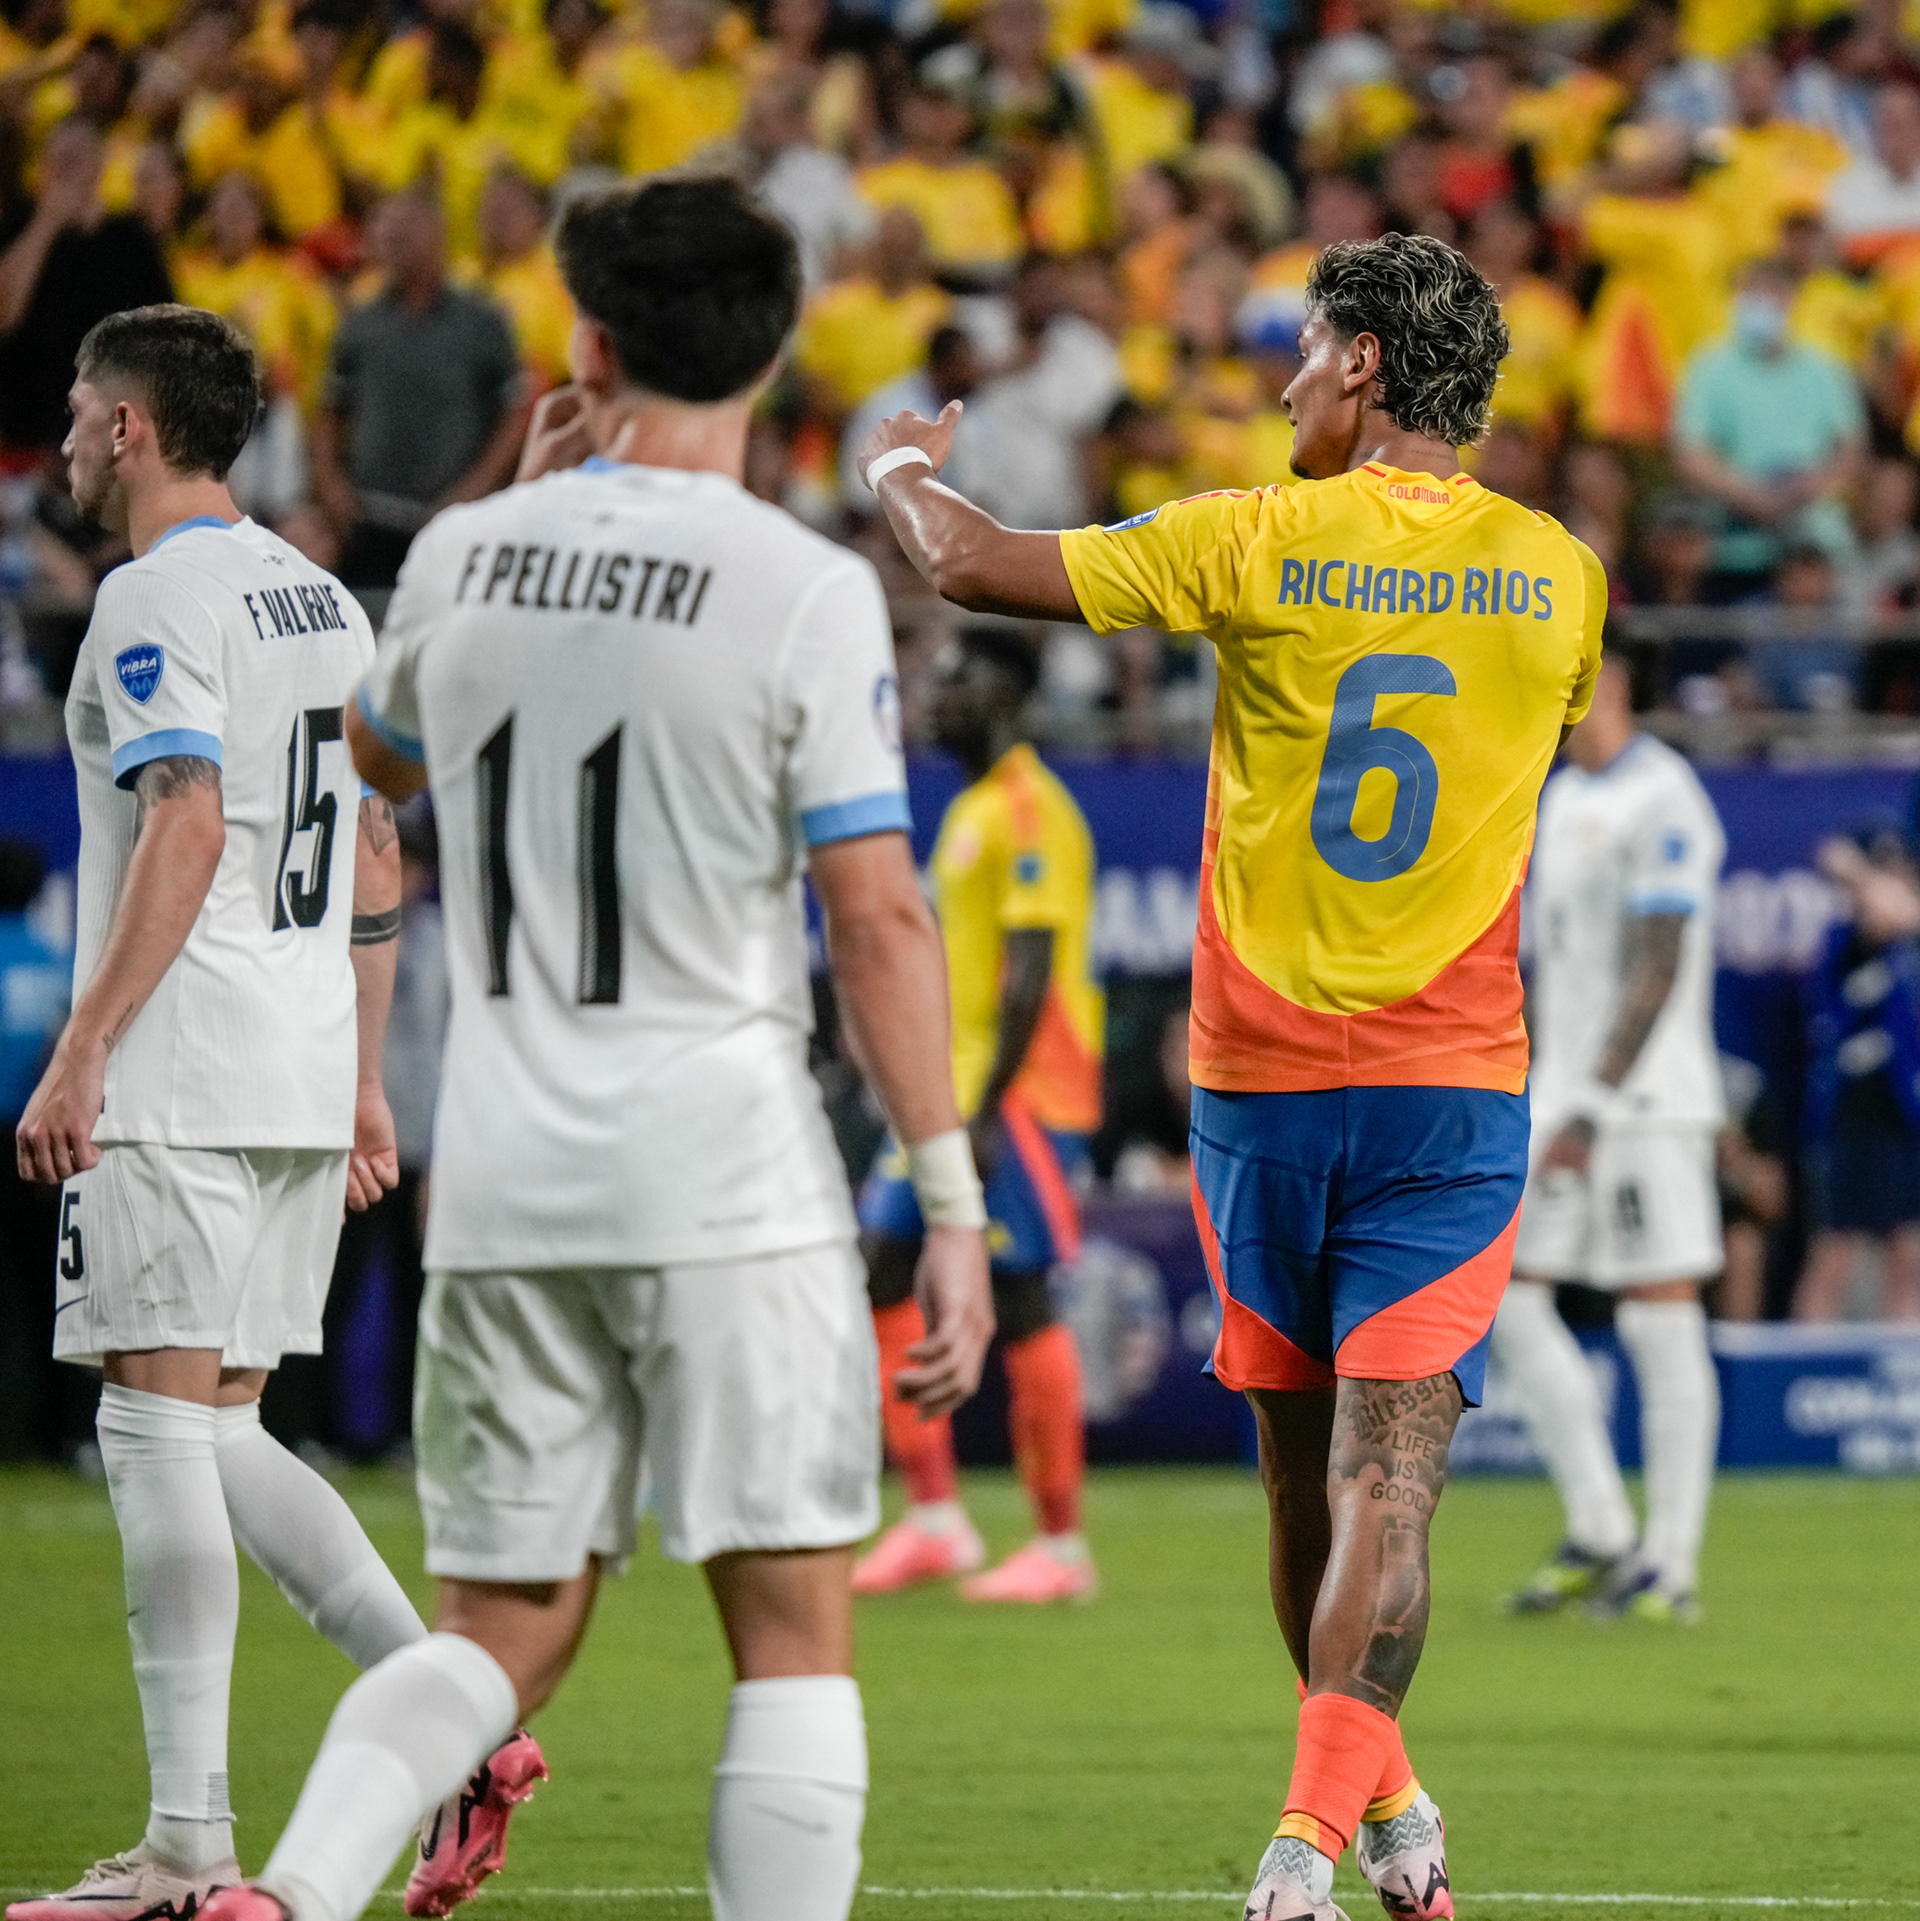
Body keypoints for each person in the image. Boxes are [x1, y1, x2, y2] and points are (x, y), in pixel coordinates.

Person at [195, 174, 994, 1921]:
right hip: (728, 1163)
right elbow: (877, 917)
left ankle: (297, 1893)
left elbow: (374, 763)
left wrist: (519, 502)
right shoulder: (805, 588)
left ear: (588, 343)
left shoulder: (471, 556)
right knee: (791, 1631)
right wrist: (949, 1198)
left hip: (514, 1165)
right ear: (776, 357)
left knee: (500, 1627)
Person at [856, 229, 1604, 1921]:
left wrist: (894, 464)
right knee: (1380, 1478)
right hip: (1450, 1085)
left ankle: (1301, 1856)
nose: (1274, 384)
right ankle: (1378, 1797)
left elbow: (968, 562)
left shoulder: (1257, 539)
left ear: (1355, 363)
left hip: (1260, 1086)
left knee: (1305, 1473)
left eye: (1296, 353)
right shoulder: (1563, 575)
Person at [6, 304, 539, 1921]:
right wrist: (367, 1071)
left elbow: (181, 815)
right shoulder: (321, 601)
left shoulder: (152, 599)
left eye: (87, 412)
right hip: (301, 1061)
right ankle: (457, 1720)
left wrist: (85, 1042)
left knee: (151, 1427)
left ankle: (185, 1847)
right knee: (223, 1431)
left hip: (183, 1061)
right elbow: (379, 849)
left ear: (135, 428)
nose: (72, 439)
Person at [854, 626, 1103, 1604]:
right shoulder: (970, 808)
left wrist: (992, 1106)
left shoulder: (1032, 811)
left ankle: (1061, 1544)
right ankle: (935, 1516)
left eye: (957, 675)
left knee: (1025, 1293)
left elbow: (1032, 975)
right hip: (949, 1092)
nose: (936, 688)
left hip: (1022, 1096)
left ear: (1007, 691)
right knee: (881, 1268)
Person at [1490, 655, 1727, 1625]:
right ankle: (1599, 1525)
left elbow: (1658, 966)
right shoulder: (1563, 793)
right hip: (1566, 1092)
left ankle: (1669, 1560)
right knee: (1504, 1295)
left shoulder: (1665, 797)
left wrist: (1591, 1101)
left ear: (1612, 678)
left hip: (1646, 1102)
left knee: (1657, 1311)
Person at [312, 186, 528, 589]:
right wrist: (331, 483)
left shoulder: (481, 322)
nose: (395, 246)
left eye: (406, 235)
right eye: (389, 236)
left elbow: (515, 412)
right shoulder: (361, 322)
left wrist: (476, 488)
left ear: (437, 239)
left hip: (448, 520)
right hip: (368, 521)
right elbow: (330, 408)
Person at [1671, 257, 1865, 600]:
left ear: (1790, 299)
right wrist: (1749, 495)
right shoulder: (1709, 367)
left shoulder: (1823, 369)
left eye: (1769, 293)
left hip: (1814, 540)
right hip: (1732, 538)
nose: (1758, 303)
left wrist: (1805, 488)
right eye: (1750, 293)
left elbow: (1850, 449)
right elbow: (1690, 453)